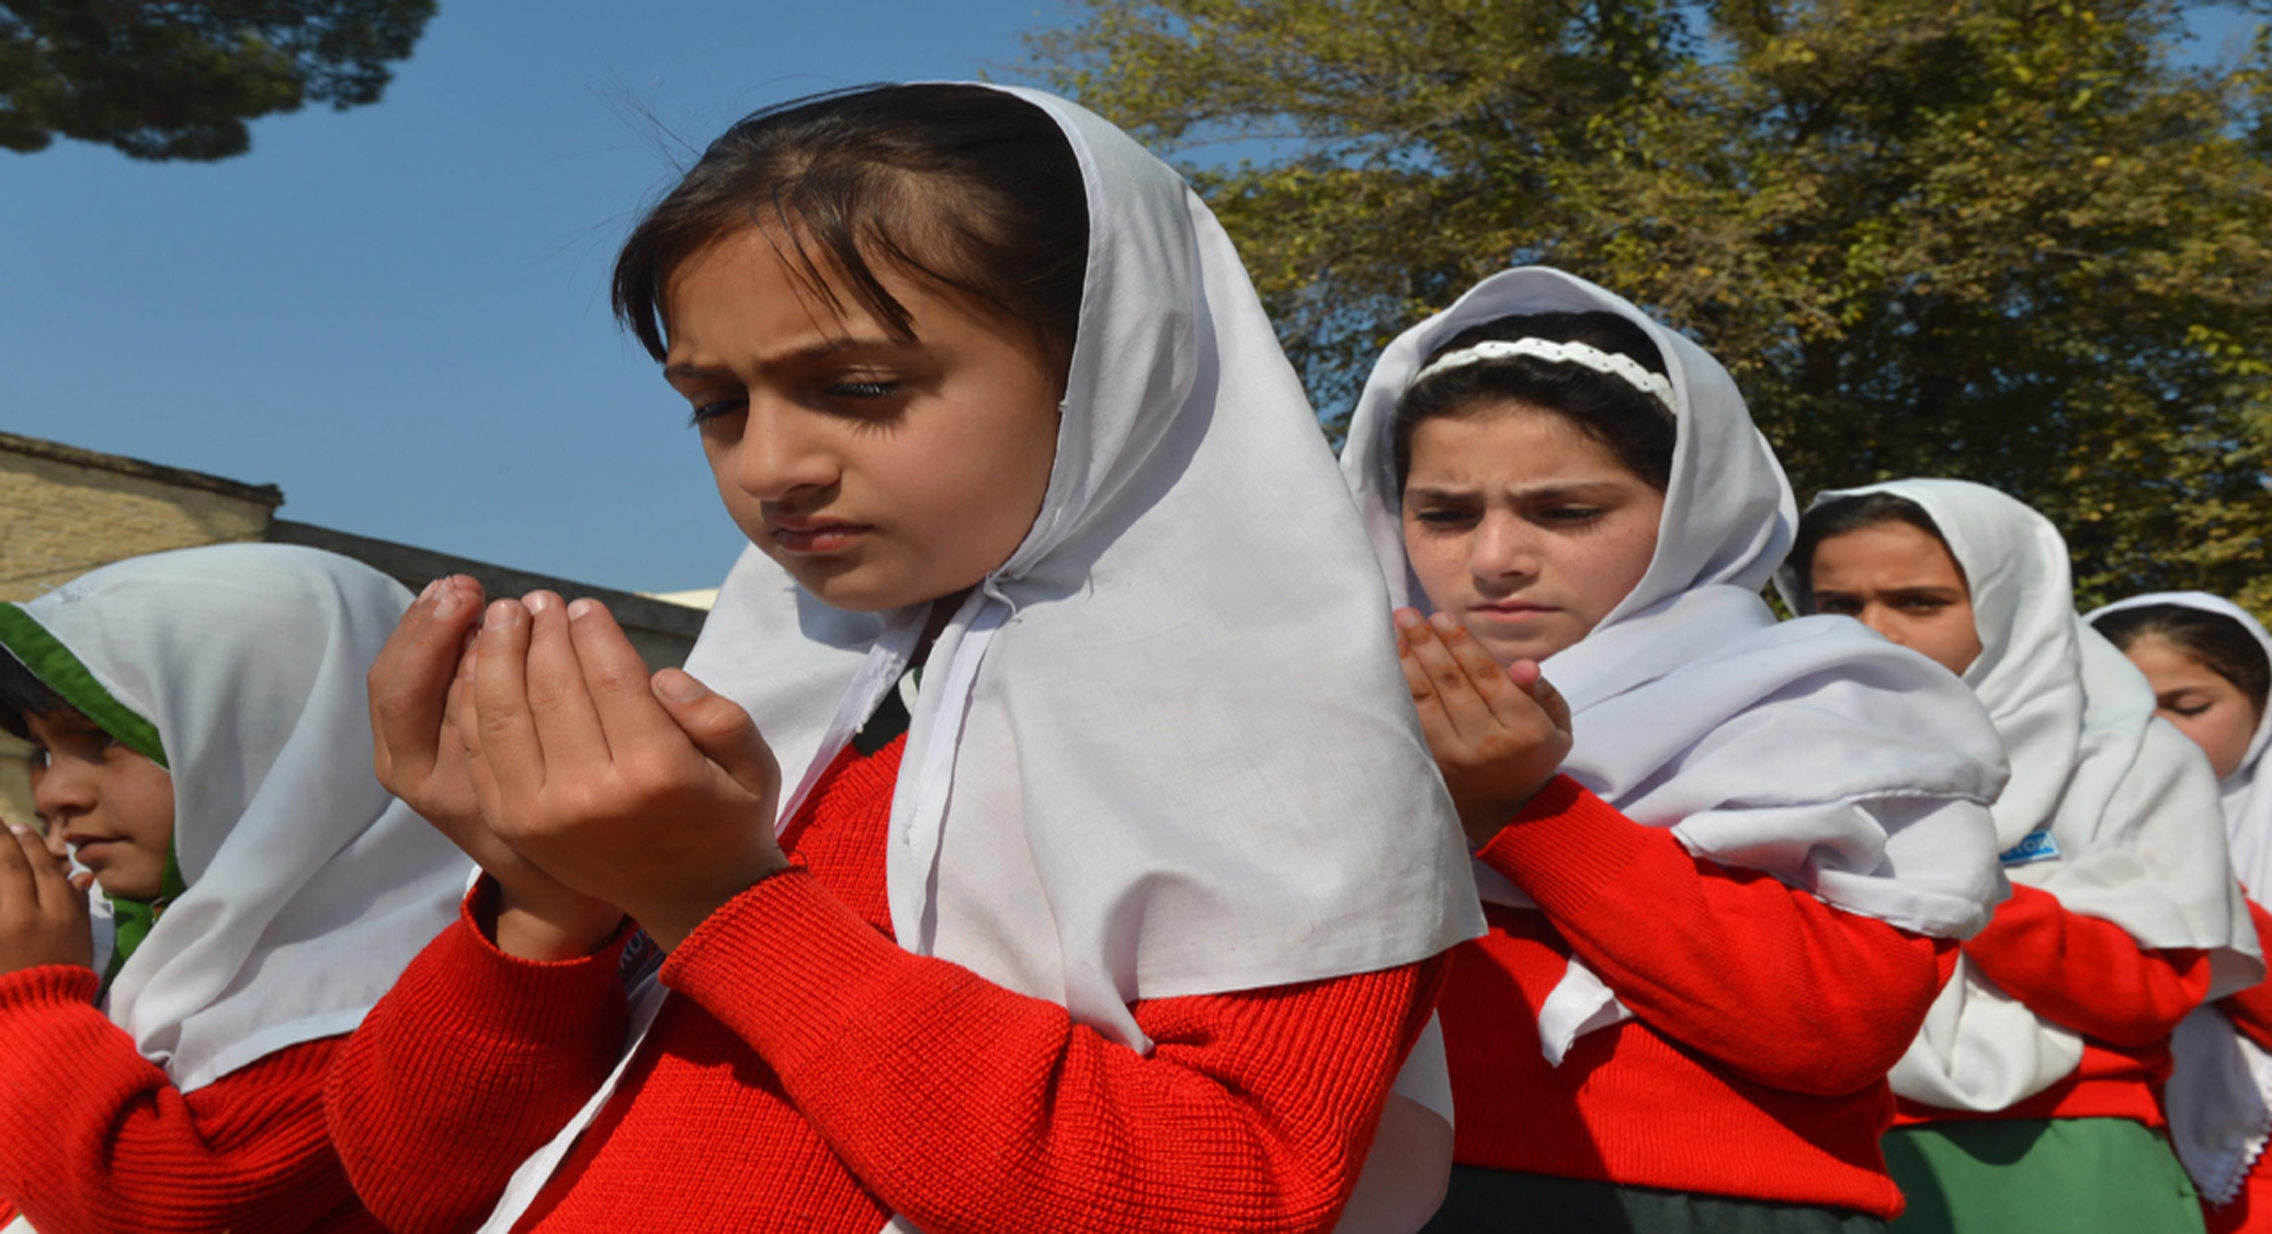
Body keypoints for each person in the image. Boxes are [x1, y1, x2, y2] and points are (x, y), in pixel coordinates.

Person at [327, 82, 1484, 1233]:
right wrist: (546, 899)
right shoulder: (741, 710)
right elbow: (415, 1182)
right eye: (717, 405)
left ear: (1111, 366)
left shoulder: (1284, 736)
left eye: (862, 387)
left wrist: (721, 903)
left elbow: (1222, 1193)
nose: (772, 463)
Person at [1337, 266, 2010, 1234]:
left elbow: (1833, 1025)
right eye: (1444, 513)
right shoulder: (1342, 706)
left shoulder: (1827, 707)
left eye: (1565, 512)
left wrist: (1534, 814)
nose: (1492, 559)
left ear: (1691, 511)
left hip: (1715, 1204)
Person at [1781, 480, 2262, 1234]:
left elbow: (2150, 992)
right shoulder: (1773, 752)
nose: (1875, 632)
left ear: (2014, 602)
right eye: (1839, 604)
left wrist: (1963, 889)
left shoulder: (2124, 760)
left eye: (1919, 602)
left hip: (2063, 1157)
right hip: (1820, 1150)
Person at [0, 543, 472, 1233]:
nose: (56, 794)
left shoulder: (384, 1003)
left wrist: (31, 998)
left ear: (277, 739)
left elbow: (148, 1209)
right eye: (41, 752)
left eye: (100, 739)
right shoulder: (124, 931)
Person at [2091, 594, 2272, 1232]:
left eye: (2189, 707)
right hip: (2102, 1145)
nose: (2152, 731)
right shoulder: (2033, 821)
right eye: (2116, 705)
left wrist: (2193, 895)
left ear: (2262, 704)